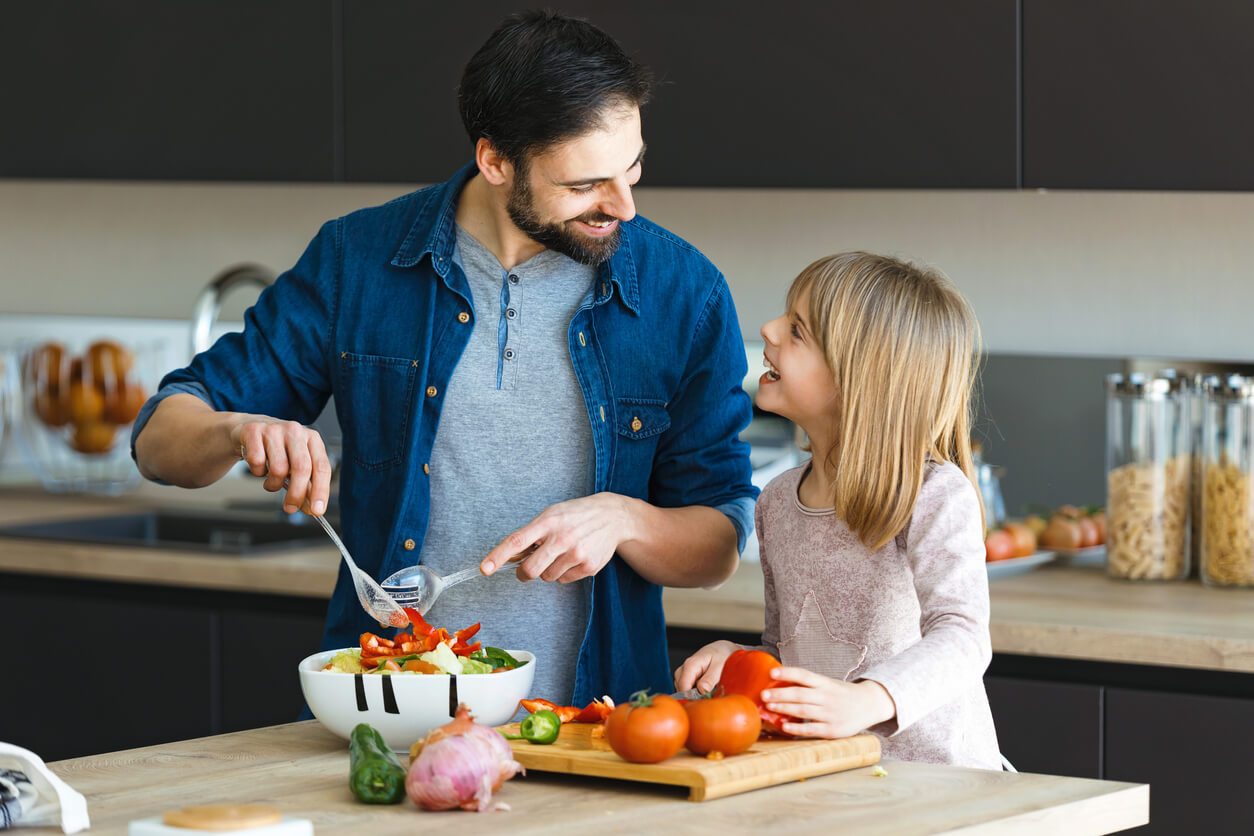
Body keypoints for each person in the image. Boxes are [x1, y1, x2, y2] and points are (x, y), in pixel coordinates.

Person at [131, 11, 757, 707]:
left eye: (633, 167)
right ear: (495, 161)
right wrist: (235, 430)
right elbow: (160, 439)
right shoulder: (358, 260)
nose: (625, 206)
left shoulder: (684, 293)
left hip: (597, 730)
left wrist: (627, 520)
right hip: (389, 716)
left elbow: (717, 546)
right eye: (585, 185)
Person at [674, 252, 1002, 769]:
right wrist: (743, 663)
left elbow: (963, 637)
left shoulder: (934, 494)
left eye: (798, 331)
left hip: (942, 789)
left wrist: (867, 701)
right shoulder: (778, 502)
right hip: (841, 787)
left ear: (860, 379)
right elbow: (795, 656)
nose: (768, 329)